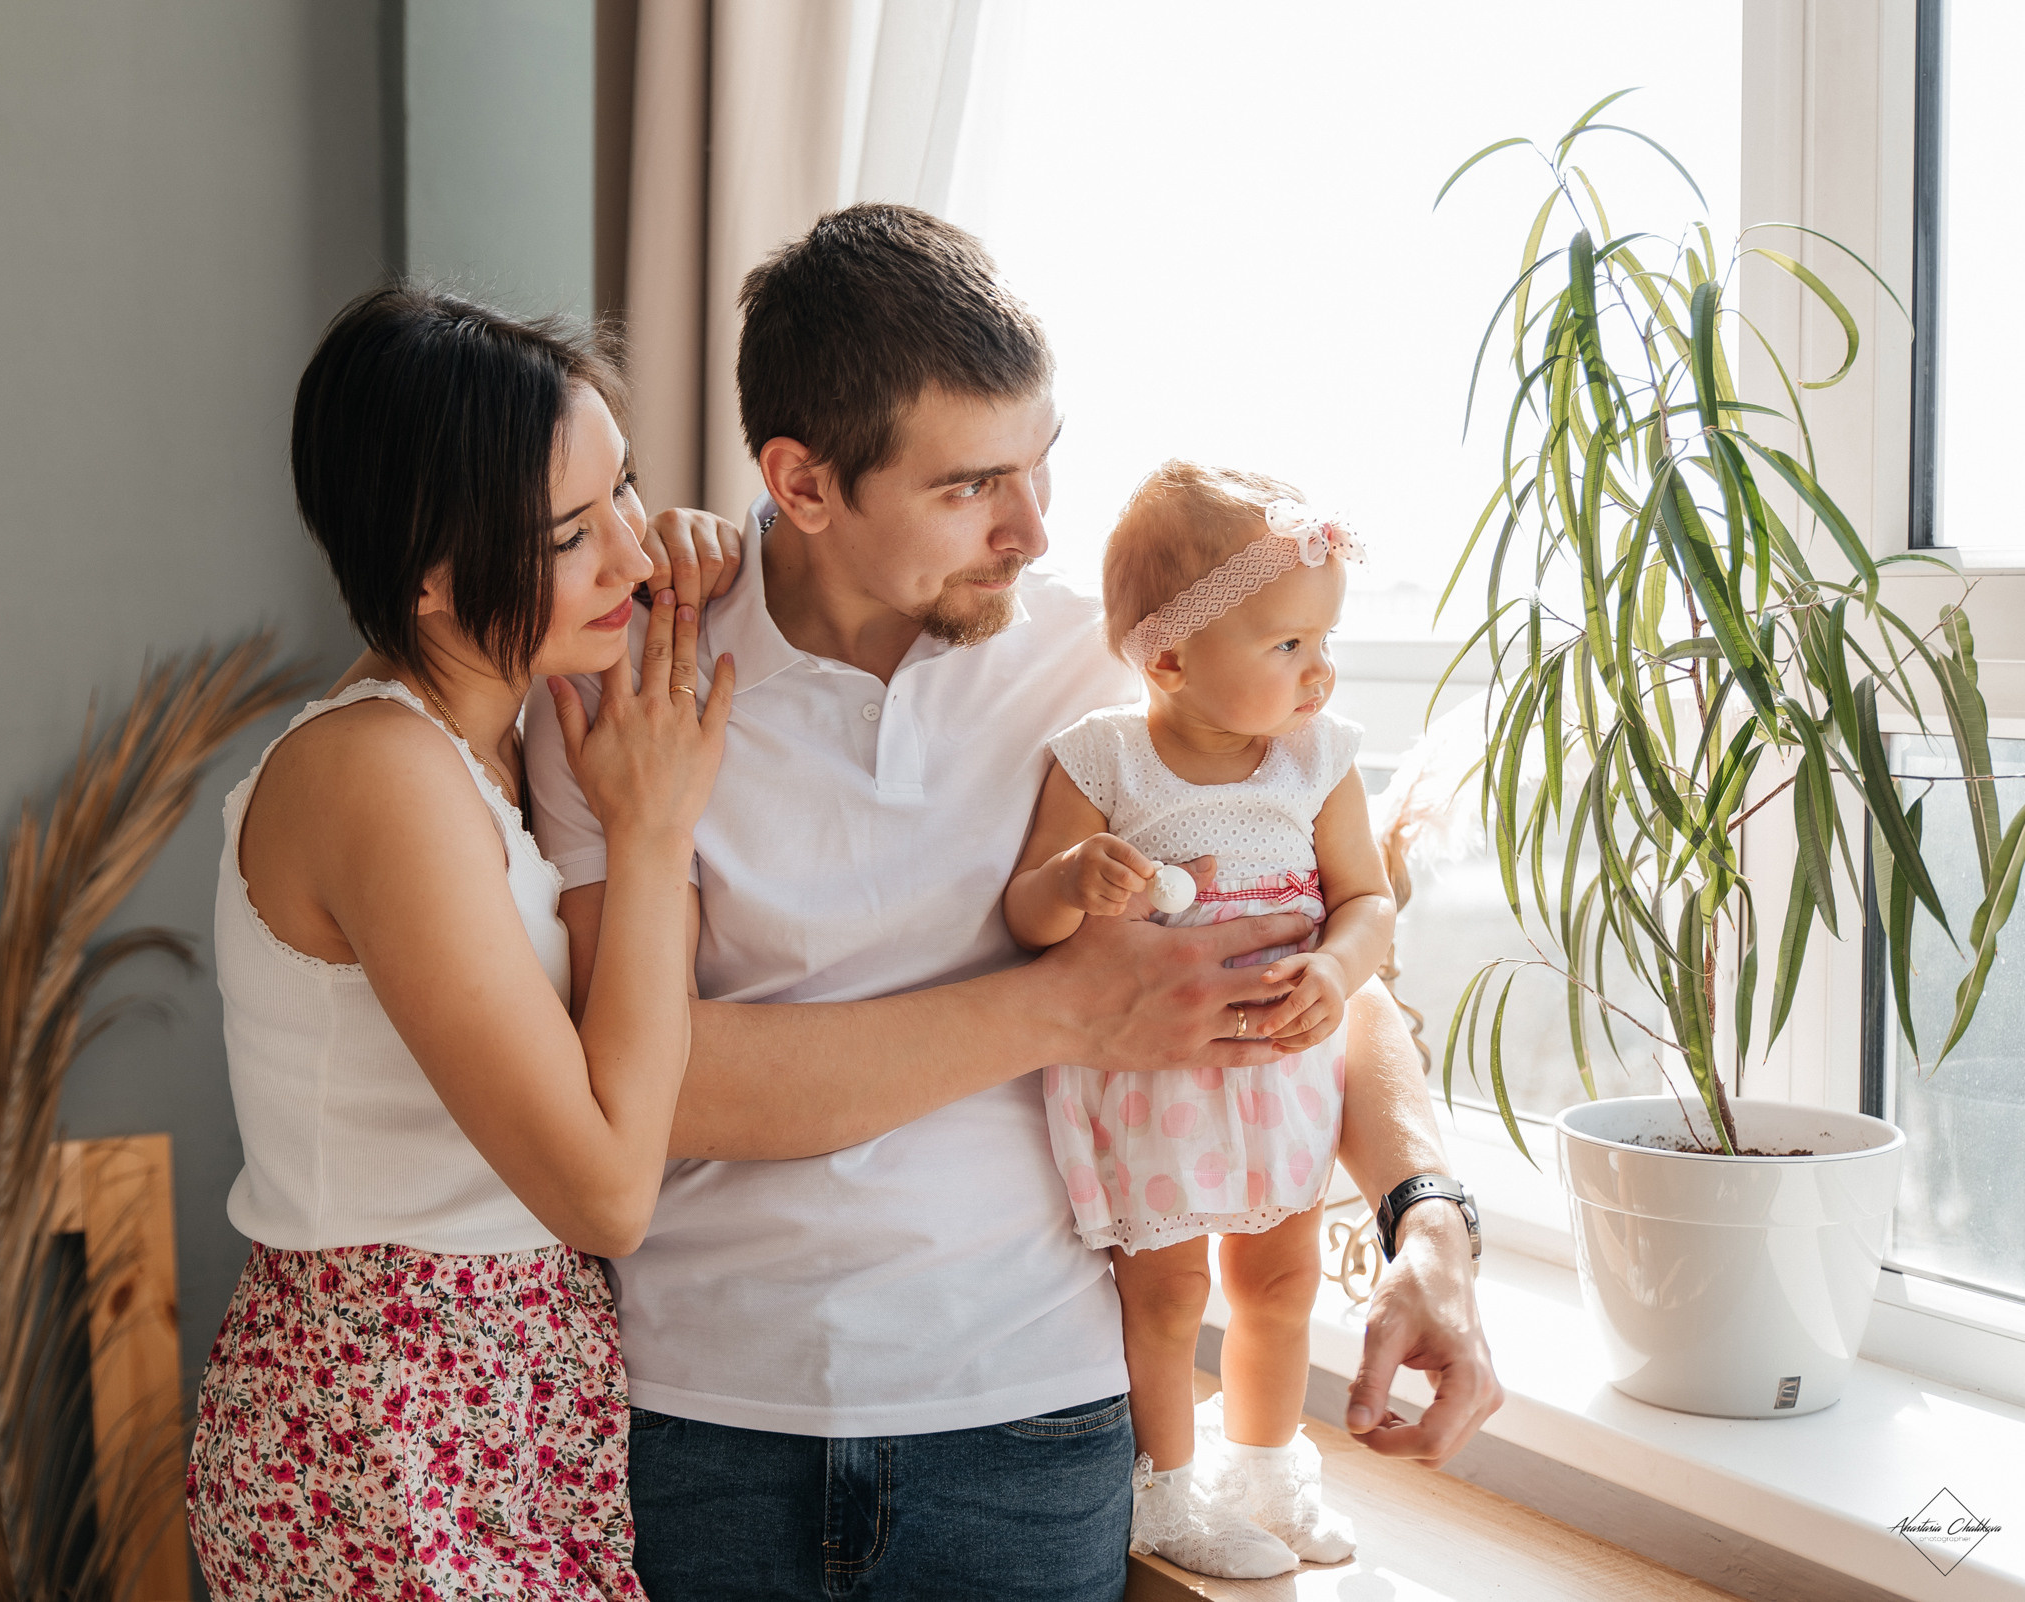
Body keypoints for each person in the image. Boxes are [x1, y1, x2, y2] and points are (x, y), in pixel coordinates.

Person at [524, 205, 1502, 1601]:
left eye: (1043, 463)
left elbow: (1308, 956)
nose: (1033, 530)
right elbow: (656, 1083)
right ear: (803, 484)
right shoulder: (634, 683)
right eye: (971, 486)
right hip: (701, 1427)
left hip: (1035, 1427)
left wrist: (1430, 1218)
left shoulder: (1121, 666)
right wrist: (1064, 1007)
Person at [186, 287, 737, 1599]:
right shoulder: (380, 772)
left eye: (628, 488)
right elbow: (607, 1193)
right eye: (571, 533)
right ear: (429, 575)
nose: (632, 556)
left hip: (485, 1388)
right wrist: (649, 834)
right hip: (392, 1417)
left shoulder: (487, 742)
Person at [1005, 463, 1394, 1578]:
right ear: (1169, 659)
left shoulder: (1320, 761)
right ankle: (1165, 1491)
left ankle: (1264, 1469)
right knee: (1169, 1291)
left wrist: (1336, 967)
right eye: (1288, 644)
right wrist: (1074, 881)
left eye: (1325, 640)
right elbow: (1027, 917)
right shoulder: (1106, 759)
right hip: (1156, 1083)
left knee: (1280, 1281)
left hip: (1280, 1073)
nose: (1319, 670)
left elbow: (1369, 902)